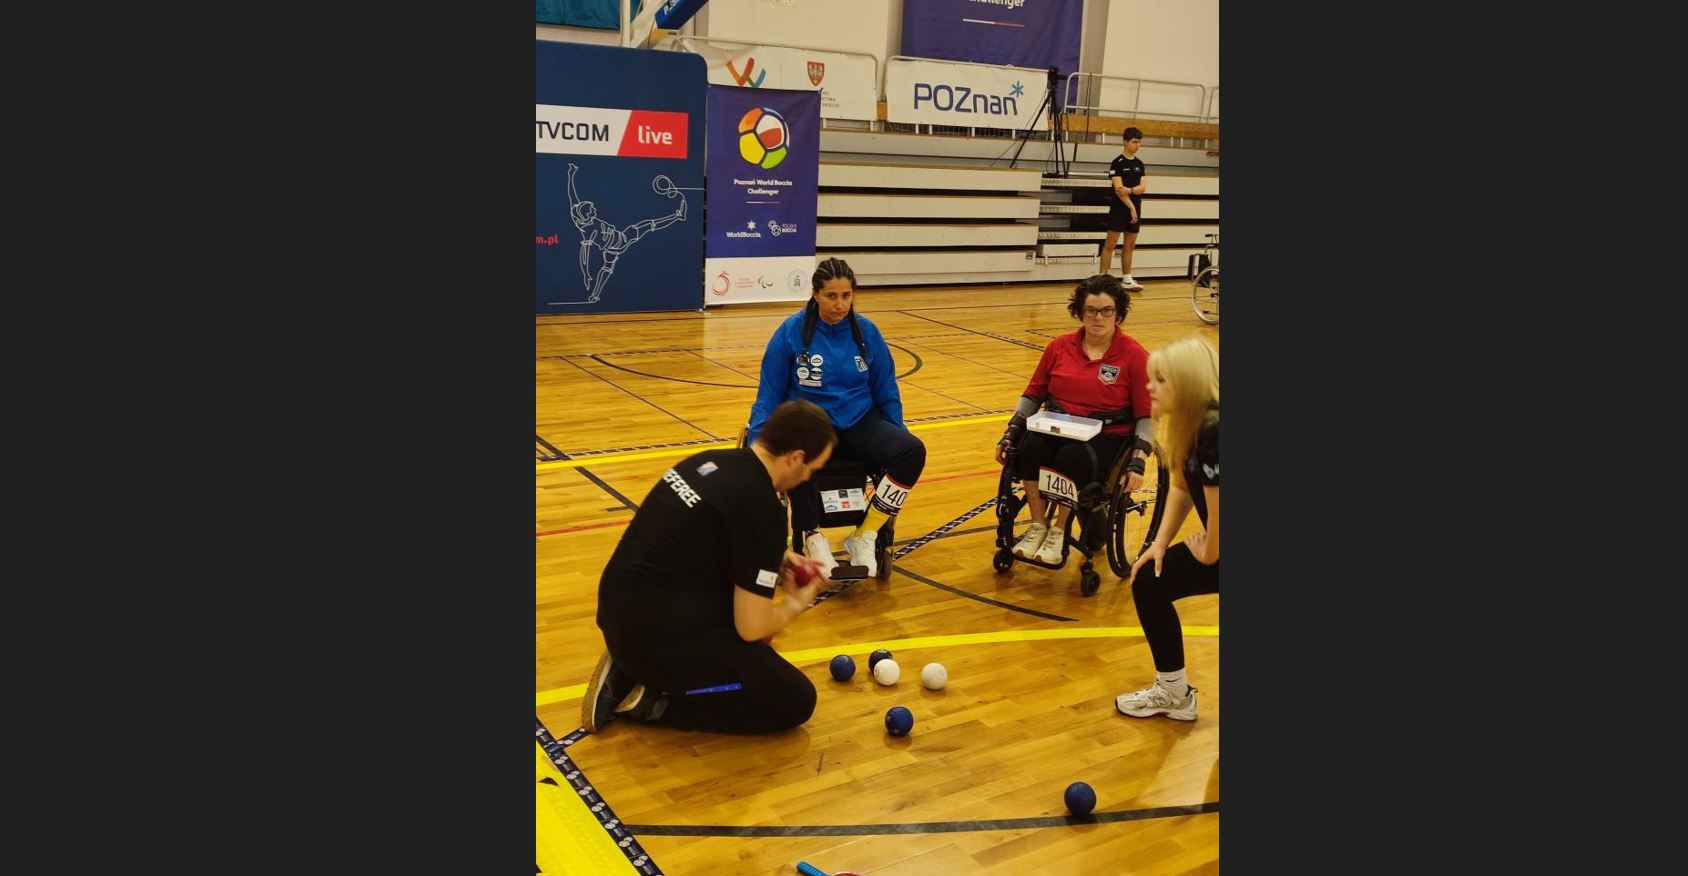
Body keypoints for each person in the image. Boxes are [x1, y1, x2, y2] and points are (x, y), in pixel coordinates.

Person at [582, 400, 836, 734]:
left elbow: (715, 533)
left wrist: (781, 556)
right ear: (795, 458)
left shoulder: (710, 461)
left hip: (617, 611)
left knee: (736, 612)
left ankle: (629, 666)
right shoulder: (762, 507)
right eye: (811, 469)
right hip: (651, 640)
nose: (807, 478)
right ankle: (650, 701)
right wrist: (794, 605)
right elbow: (752, 628)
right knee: (794, 699)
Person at [745, 258, 925, 578]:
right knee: (796, 453)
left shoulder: (866, 332)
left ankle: (865, 534)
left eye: (846, 296)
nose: (840, 304)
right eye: (831, 296)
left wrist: (897, 432)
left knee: (912, 451)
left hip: (857, 421)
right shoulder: (790, 332)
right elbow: (768, 395)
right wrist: (757, 448)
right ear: (816, 294)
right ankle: (813, 536)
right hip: (810, 425)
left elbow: (886, 389)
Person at [994, 274, 1153, 567]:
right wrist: (1012, 430)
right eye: (1091, 310)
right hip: (1057, 425)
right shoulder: (1059, 346)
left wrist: (1139, 459)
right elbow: (1033, 393)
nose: (1098, 317)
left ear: (1118, 315)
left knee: (1071, 457)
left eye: (1106, 310)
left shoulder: (1134, 355)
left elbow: (1147, 414)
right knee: (1029, 449)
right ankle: (1038, 525)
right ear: (1080, 312)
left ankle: (1059, 531)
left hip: (1106, 436)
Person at [1115, 337, 1218, 721]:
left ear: (1187, 383)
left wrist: (1209, 552)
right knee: (1149, 579)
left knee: (1151, 583)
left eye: (1160, 379)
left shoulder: (1213, 431)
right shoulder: (1190, 424)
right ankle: (1174, 693)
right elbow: (1182, 487)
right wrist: (1159, 543)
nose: (1149, 387)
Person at [568, 162, 688, 303]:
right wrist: (586, 273)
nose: (595, 210)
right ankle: (678, 216)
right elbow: (585, 253)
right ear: (588, 215)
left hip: (612, 246)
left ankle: (595, 295)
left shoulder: (577, 213)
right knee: (647, 225)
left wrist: (571, 175)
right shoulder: (590, 231)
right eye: (592, 210)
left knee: (607, 268)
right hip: (620, 241)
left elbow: (572, 196)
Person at [1099, 127, 1147, 291]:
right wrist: (1131, 207)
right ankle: (1102, 279)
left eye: (1139, 142)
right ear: (1125, 142)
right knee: (1110, 244)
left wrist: (1131, 190)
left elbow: (1143, 187)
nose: (1137, 145)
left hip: (1135, 208)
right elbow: (1119, 190)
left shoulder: (1139, 164)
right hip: (1120, 209)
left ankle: (1127, 279)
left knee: (1130, 245)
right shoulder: (1117, 163)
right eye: (1134, 142)